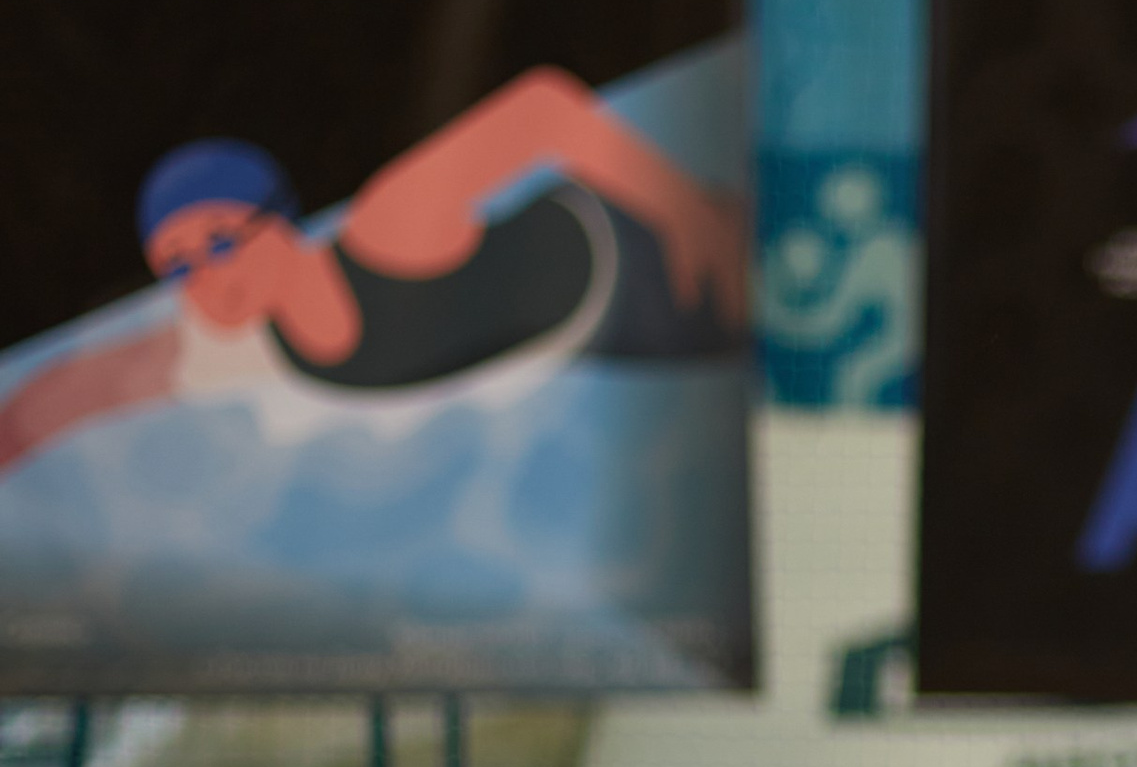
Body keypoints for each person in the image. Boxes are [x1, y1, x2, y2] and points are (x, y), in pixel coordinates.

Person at [0, 64, 746, 476]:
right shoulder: (244, 350)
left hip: (644, 243)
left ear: (282, 227)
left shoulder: (388, 229)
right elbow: (77, 390)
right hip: (630, 329)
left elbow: (545, 109)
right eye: (176, 265)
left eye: (221, 242)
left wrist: (685, 213)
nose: (203, 278)